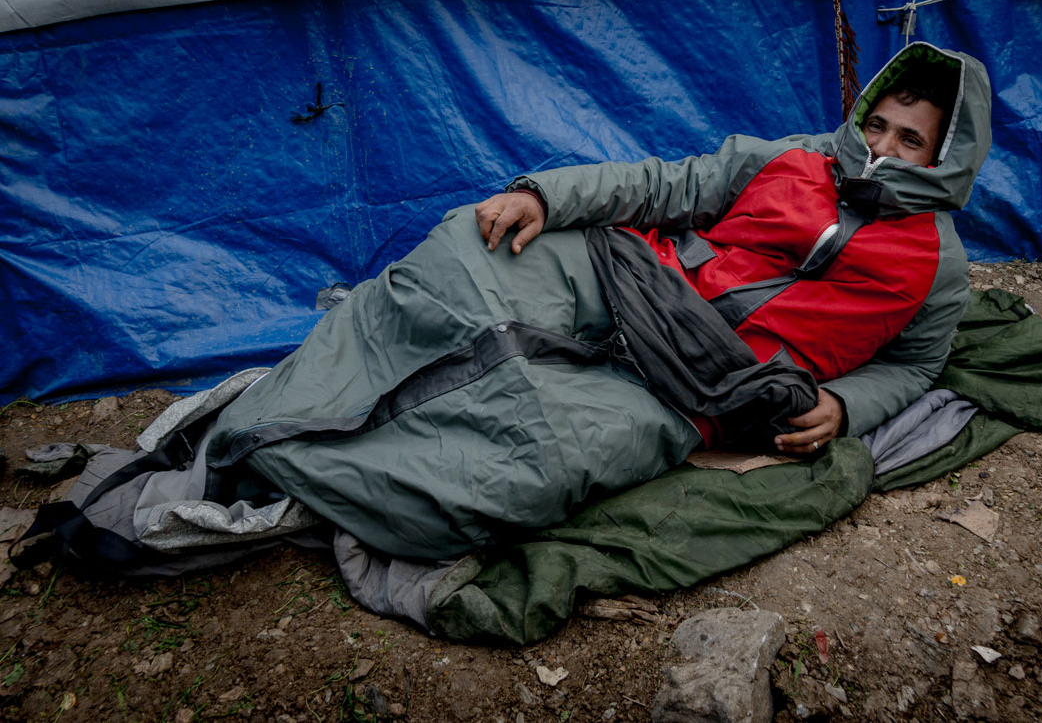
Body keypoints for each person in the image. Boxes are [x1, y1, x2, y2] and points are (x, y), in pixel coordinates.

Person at [204, 41, 992, 561]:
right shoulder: (794, 158)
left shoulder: (937, 267)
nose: (883, 149)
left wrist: (847, 407)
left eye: (910, 140)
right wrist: (543, 196)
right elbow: (663, 183)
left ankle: (300, 465)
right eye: (878, 125)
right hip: (633, 275)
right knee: (466, 247)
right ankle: (287, 407)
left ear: (947, 158)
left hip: (711, 381)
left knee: (531, 469)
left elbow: (916, 364)